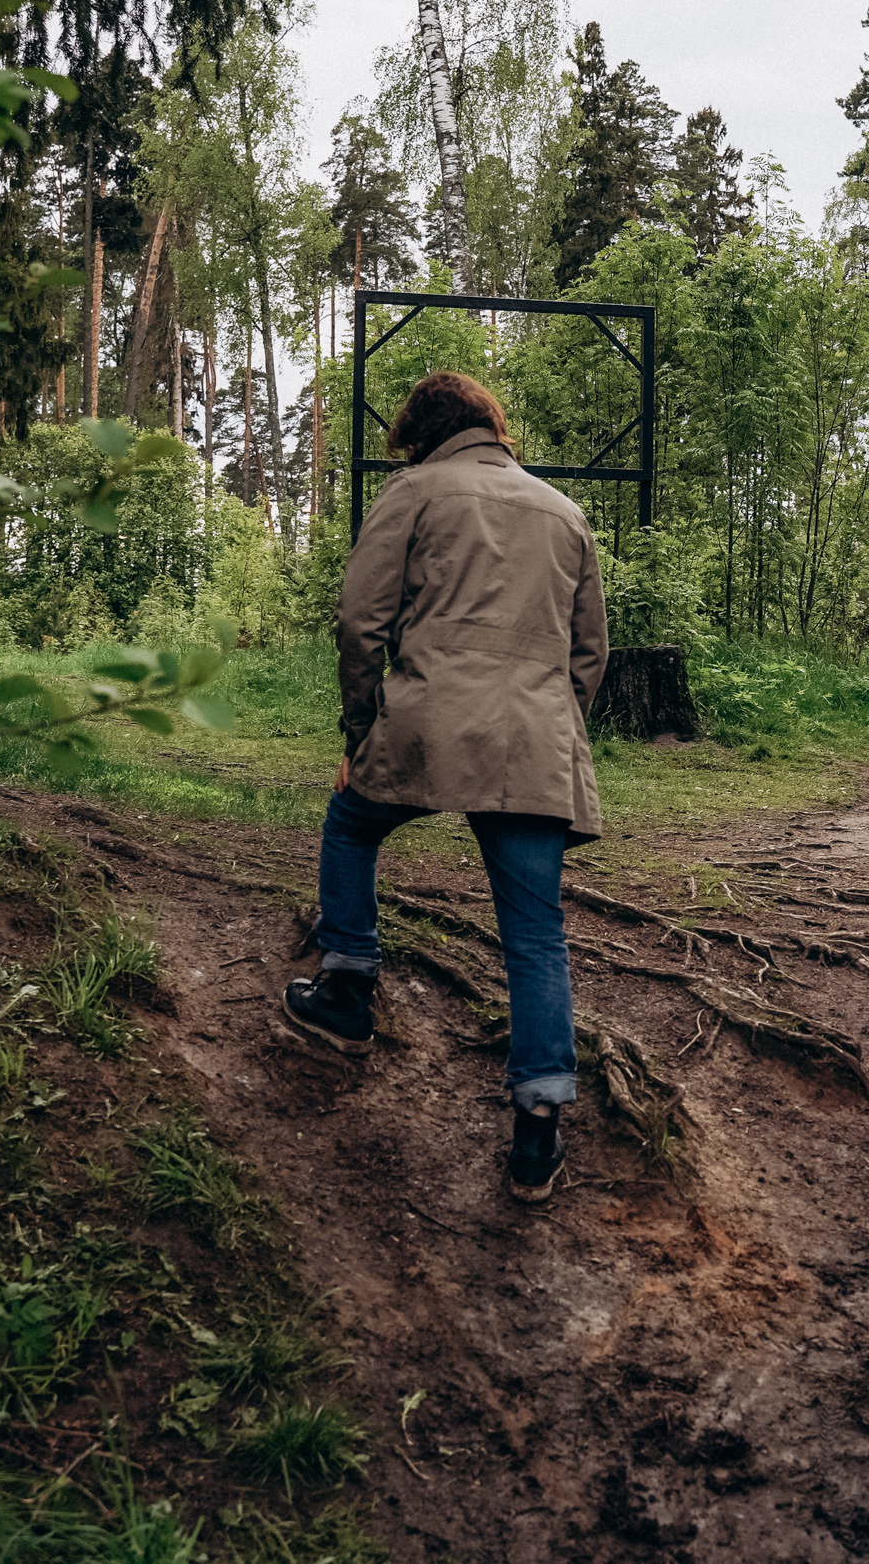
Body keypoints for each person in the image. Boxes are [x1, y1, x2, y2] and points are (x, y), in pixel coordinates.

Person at [283, 371, 607, 1203]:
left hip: (427, 724)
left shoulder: (415, 491)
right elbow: (589, 654)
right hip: (533, 742)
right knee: (536, 935)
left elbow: (360, 621)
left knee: (352, 825)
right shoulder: (564, 512)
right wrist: (553, 726)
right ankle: (538, 1129)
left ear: (421, 433)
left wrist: (360, 732)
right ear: (490, 425)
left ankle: (349, 986)